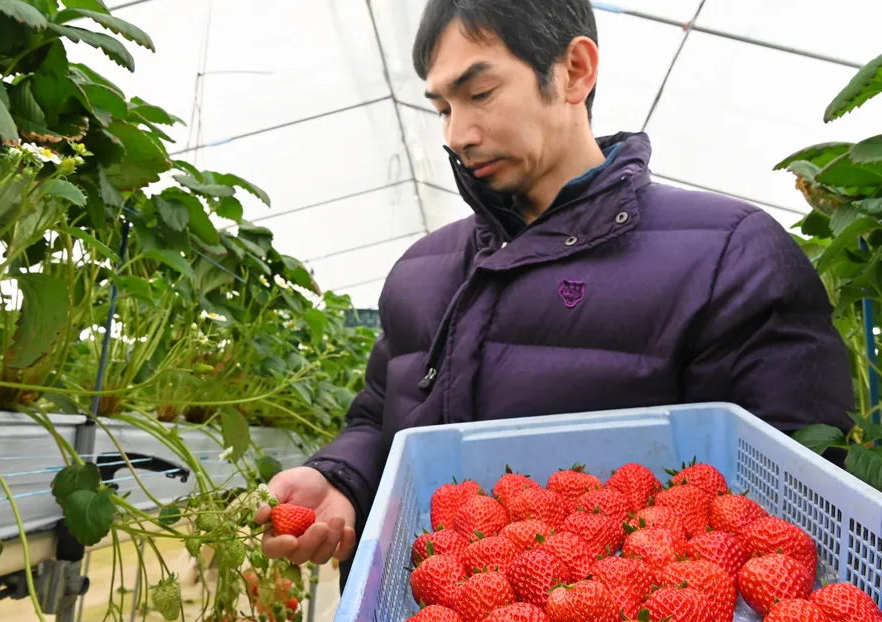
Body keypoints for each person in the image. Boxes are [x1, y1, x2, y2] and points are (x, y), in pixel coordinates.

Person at [255, 0, 855, 591]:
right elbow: (378, 415)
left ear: (574, 72)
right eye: (442, 107)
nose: (457, 134)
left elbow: (792, 509)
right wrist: (341, 475)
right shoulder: (422, 270)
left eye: (480, 93)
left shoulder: (729, 256)